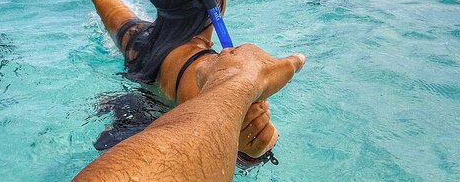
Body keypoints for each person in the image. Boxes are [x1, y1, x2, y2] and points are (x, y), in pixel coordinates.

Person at [63, 0, 282, 163]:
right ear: (219, 3)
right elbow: (230, 154)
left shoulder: (134, 37)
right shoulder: (207, 74)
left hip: (126, 134)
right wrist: (252, 152)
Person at [73, 44, 305, 182]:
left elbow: (104, 0)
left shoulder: (134, 37)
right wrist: (237, 83)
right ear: (219, 3)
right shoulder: (206, 67)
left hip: (128, 115)